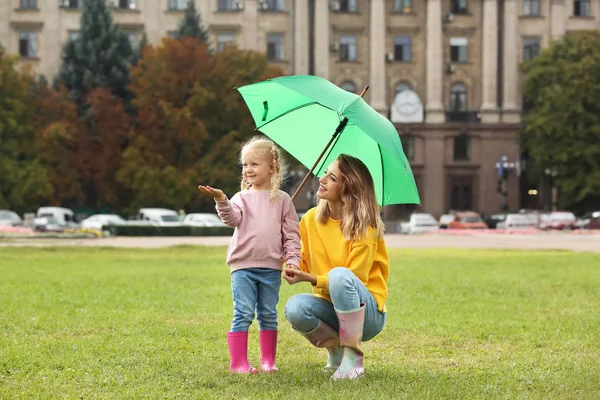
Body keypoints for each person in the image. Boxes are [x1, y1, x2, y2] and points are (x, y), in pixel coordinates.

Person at [198, 136, 301, 374]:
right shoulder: (240, 198)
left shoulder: (283, 200)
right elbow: (232, 219)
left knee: (268, 313)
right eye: (244, 165)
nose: (248, 169)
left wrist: (293, 260)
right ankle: (238, 363)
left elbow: (292, 236)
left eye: (254, 164)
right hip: (242, 267)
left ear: (272, 167)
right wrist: (221, 199)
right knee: (243, 312)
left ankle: (268, 361)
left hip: (271, 268)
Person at [283, 154, 389, 380]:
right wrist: (289, 261)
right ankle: (336, 350)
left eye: (331, 178)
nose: (321, 179)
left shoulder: (365, 226)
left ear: (347, 189)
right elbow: (299, 258)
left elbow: (354, 279)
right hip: (331, 308)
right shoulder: (311, 218)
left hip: (365, 316)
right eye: (325, 173)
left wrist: (311, 279)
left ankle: (353, 358)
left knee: (340, 276)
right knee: (295, 308)